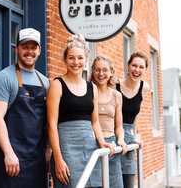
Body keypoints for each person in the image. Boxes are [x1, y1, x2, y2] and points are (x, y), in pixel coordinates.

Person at [47, 34, 114, 188]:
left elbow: (95, 122)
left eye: (80, 58)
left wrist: (102, 142)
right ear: (64, 60)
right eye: (71, 58)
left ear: (86, 60)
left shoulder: (93, 88)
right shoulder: (57, 85)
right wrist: (58, 158)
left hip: (89, 146)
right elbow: (51, 124)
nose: (76, 62)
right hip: (66, 148)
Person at [0, 28, 50, 188]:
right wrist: (8, 153)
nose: (29, 52)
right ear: (17, 48)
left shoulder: (45, 82)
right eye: (25, 47)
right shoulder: (4, 78)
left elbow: (48, 122)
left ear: (39, 50)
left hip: (36, 161)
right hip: (10, 160)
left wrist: (48, 150)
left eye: (33, 47)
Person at [88, 55, 127, 188]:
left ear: (111, 72)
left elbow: (119, 126)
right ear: (92, 72)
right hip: (92, 145)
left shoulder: (117, 95)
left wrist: (120, 139)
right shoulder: (87, 91)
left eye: (105, 70)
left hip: (111, 146)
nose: (101, 73)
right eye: (97, 69)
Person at [116, 52, 150, 188]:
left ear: (145, 69)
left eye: (141, 67)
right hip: (113, 134)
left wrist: (136, 135)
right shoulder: (115, 85)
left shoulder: (144, 87)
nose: (137, 70)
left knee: (128, 181)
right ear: (128, 66)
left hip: (129, 136)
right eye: (134, 65)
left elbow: (137, 114)